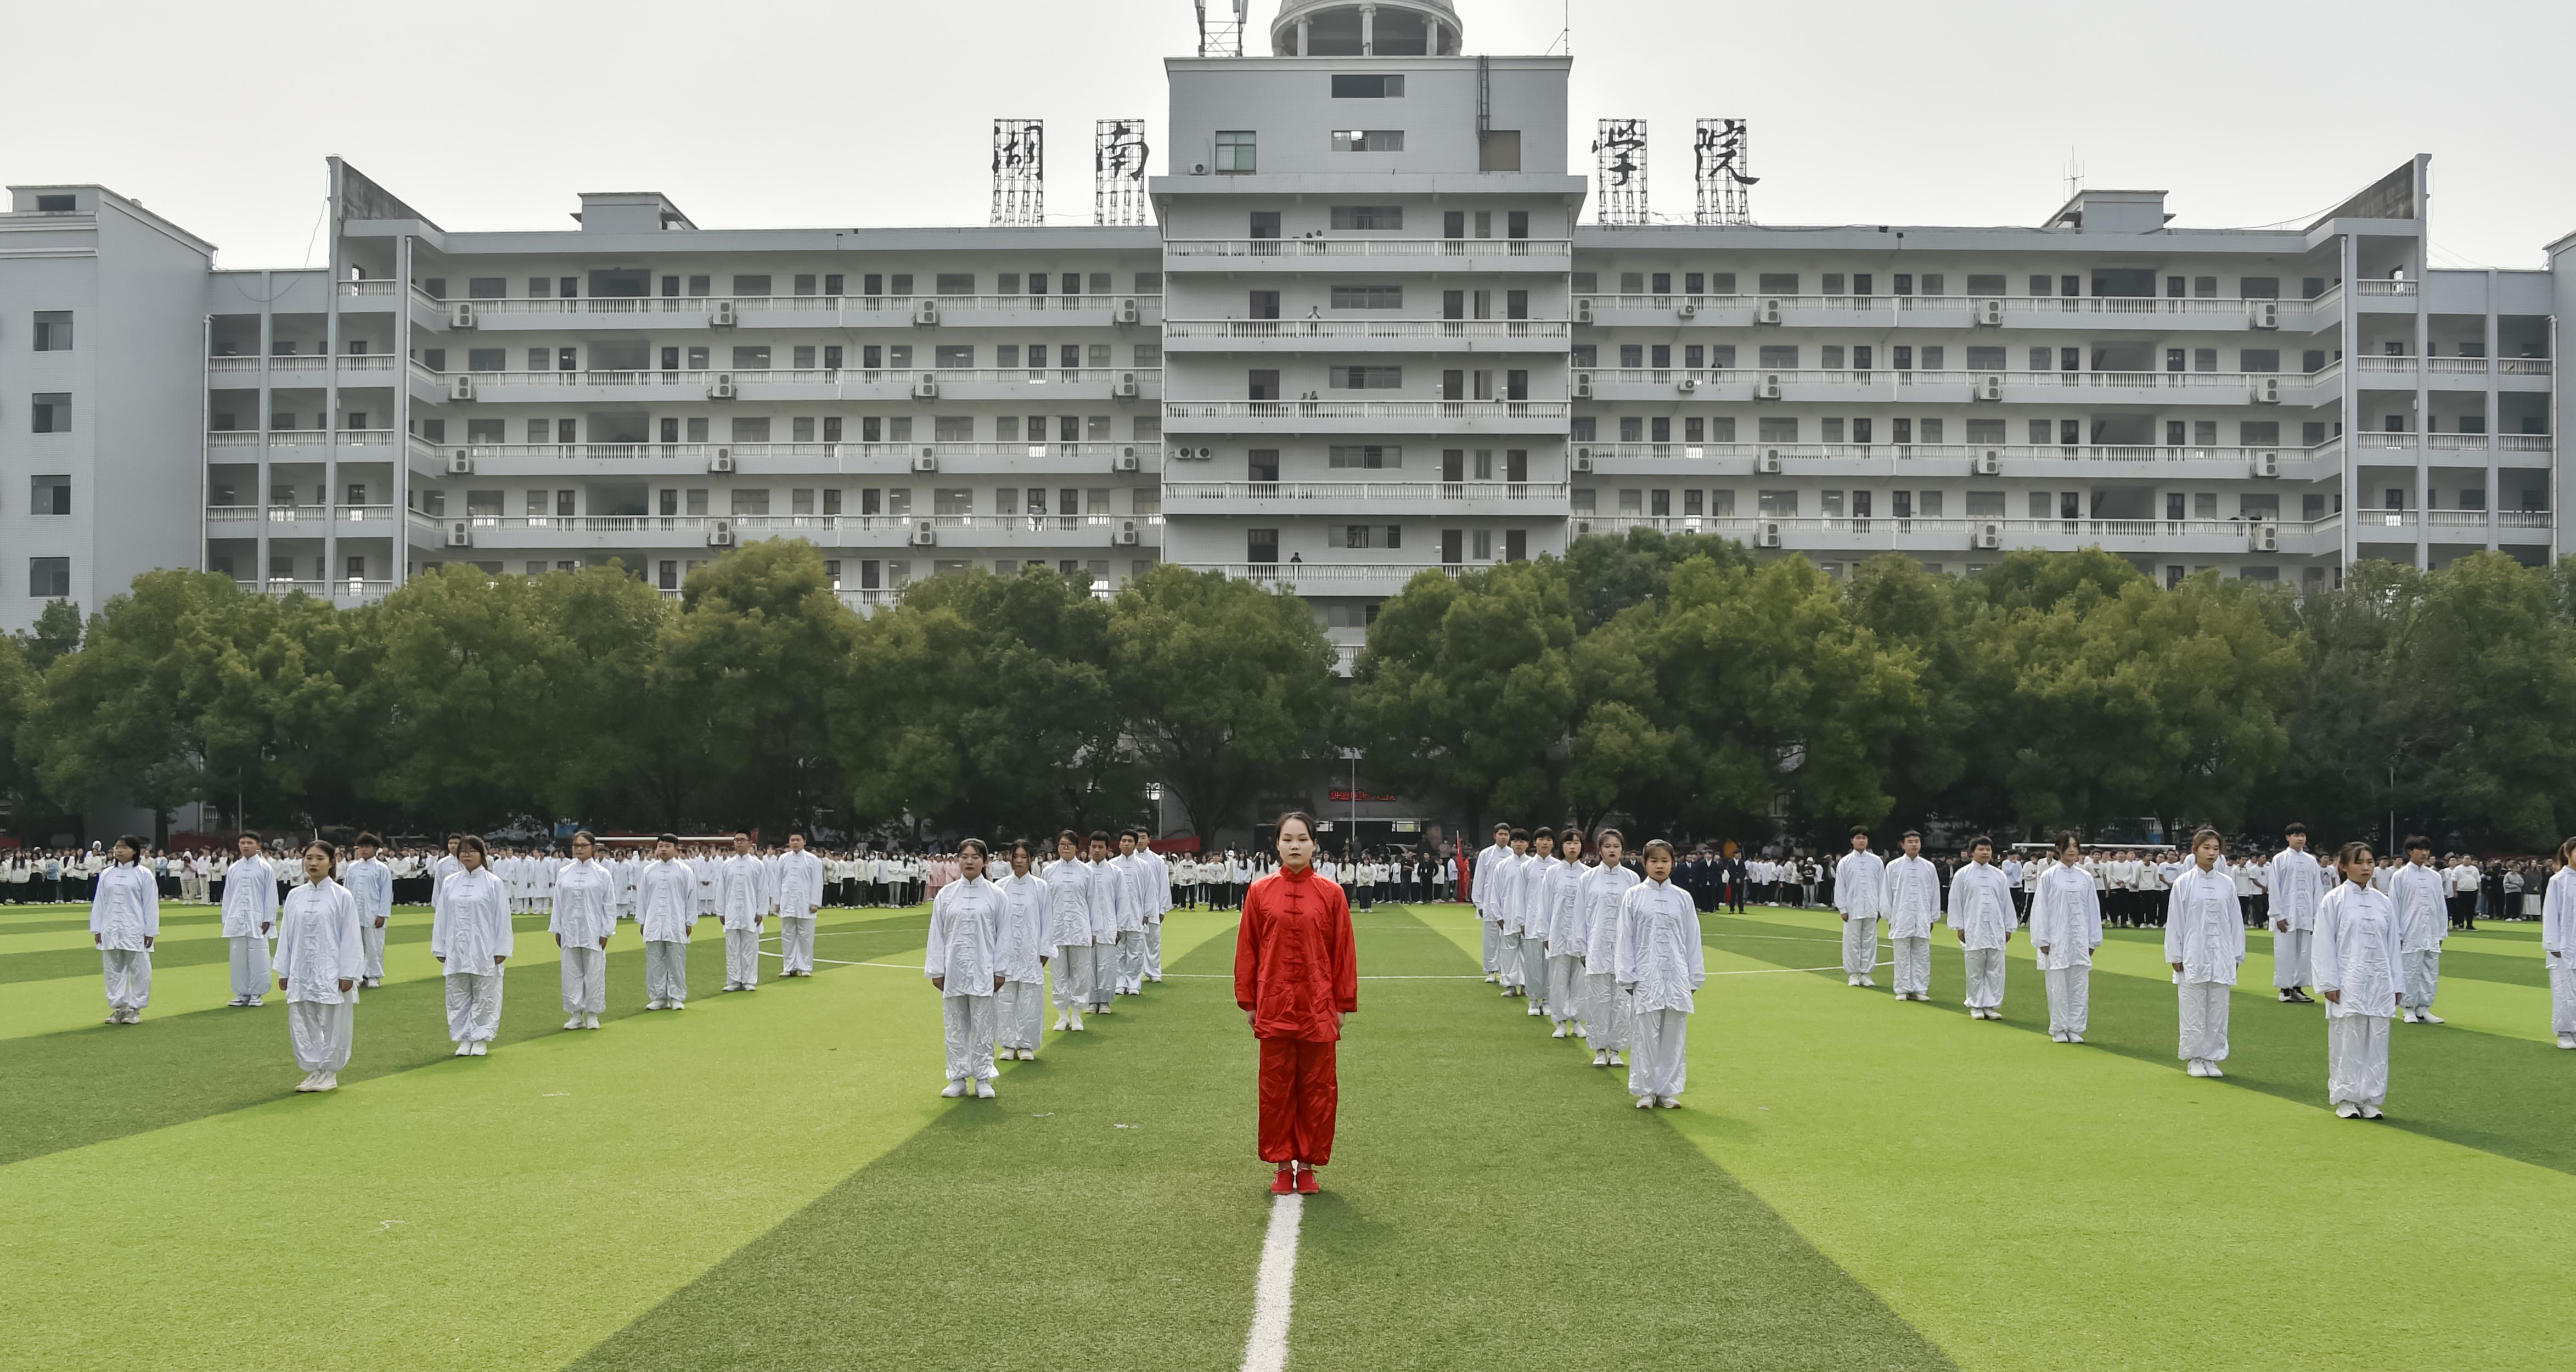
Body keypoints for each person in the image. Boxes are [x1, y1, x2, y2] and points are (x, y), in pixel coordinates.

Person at [1234, 811, 1357, 1195]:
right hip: (1273, 1003)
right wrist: (1248, 1001)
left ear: (1314, 844)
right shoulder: (1259, 892)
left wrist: (1342, 1005)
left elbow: (1343, 953)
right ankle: (1280, 1164)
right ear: (1276, 844)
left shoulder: (1332, 894)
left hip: (1318, 1005)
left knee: (1317, 1088)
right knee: (1275, 1088)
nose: (1295, 845)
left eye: (1302, 839)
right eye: (1287, 839)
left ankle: (1306, 1165)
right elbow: (1248, 950)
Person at [2315, 841, 2403, 1118]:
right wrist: (2329, 982)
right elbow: (2323, 944)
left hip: (2379, 981)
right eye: (2359, 862)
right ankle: (2346, 1097)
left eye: (2370, 862)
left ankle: (2371, 1098)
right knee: (2347, 1039)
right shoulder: (2334, 900)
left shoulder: (2383, 902)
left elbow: (2392, 946)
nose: (2366, 868)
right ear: (2343, 867)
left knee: (2376, 1040)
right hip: (2348, 979)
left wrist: (2397, 984)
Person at [1616, 839, 1704, 1109]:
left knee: (1673, 1033)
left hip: (1677, 974)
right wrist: (1627, 974)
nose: (1659, 866)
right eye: (1654, 860)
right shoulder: (1633, 896)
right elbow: (1625, 937)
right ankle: (1645, 1090)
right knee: (1645, 1033)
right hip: (1646, 973)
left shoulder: (1683, 898)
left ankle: (1667, 1090)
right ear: (1644, 863)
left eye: (1665, 861)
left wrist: (1694, 976)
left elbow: (1693, 939)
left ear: (1673, 864)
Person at [275, 841, 363, 1092]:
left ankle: (330, 1072)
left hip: (331, 970)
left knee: (333, 1021)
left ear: (331, 862)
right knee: (304, 1019)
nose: (313, 863)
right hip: (301, 970)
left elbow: (351, 937)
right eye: (309, 858)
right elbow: (287, 935)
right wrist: (285, 970)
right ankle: (314, 1070)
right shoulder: (295, 896)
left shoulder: (342, 896)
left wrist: (348, 973)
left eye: (319, 859)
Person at [925, 837, 1007, 1099]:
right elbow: (936, 934)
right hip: (954, 970)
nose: (969, 861)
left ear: (985, 861)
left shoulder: (997, 896)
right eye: (964, 856)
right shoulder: (946, 896)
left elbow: (1004, 936)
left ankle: (983, 1077)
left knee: (984, 1024)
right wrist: (937, 969)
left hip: (985, 969)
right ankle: (958, 1077)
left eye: (975, 857)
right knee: (955, 1025)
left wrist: (1000, 970)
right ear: (958, 859)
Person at [2166, 826, 2247, 1078]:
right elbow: (2176, 920)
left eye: (2215, 849)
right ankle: (2194, 1057)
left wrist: (2236, 955)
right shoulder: (2184, 883)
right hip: (2193, 953)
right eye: (2206, 848)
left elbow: (2236, 921)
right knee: (2193, 1008)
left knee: (2218, 1009)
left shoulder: (2227, 884)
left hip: (2221, 954)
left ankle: (2212, 1057)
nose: (2211, 853)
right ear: (2195, 850)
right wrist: (2175, 956)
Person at [430, 836, 510, 1056]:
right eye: (463, 851)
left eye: (472, 850)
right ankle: (463, 1037)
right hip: (456, 946)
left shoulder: (493, 883)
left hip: (484, 946)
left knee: (486, 993)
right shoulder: (450, 882)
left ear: (482, 854)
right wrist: (440, 946)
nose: (467, 854)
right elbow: (442, 916)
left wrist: (501, 949)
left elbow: (502, 917)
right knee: (457, 993)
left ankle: (481, 1037)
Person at [2029, 833, 2104, 1043]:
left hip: (2080, 938)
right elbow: (2041, 909)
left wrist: (2092, 940)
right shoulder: (2049, 876)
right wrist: (2042, 939)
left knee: (2079, 984)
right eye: (2068, 846)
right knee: (2057, 985)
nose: (2072, 850)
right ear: (2058, 849)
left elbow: (2093, 909)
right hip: (2057, 937)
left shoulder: (2085, 877)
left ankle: (2076, 1028)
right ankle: (2059, 1028)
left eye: (2075, 846)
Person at [1577, 829, 1640, 1069]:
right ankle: (1599, 1048)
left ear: (1622, 850)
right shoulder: (1588, 879)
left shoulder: (1633, 880)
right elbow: (1580, 916)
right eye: (1607, 846)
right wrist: (1581, 948)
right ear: (1599, 850)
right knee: (1598, 1001)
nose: (1612, 850)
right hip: (1597, 947)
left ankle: (1616, 1049)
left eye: (1616, 846)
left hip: (1625, 951)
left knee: (1621, 1002)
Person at [91, 835, 159, 1025]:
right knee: (113, 969)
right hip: (110, 928)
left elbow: (151, 905)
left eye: (124, 847)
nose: (119, 850)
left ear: (135, 851)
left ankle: (134, 1009)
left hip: (134, 929)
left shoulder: (144, 874)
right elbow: (100, 903)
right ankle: (118, 1008)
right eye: (117, 847)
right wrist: (97, 928)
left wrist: (151, 931)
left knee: (139, 969)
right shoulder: (106, 874)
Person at [552, 831, 617, 1030]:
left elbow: (609, 905)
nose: (579, 849)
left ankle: (593, 1013)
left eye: (583, 845)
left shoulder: (602, 874)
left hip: (593, 930)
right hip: (570, 929)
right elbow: (558, 903)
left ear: (593, 848)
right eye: (576, 845)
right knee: (571, 972)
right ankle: (576, 1014)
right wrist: (557, 928)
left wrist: (606, 931)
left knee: (594, 972)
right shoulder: (564, 872)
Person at [993, 840, 1051, 1061]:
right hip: (1006, 952)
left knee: (1030, 998)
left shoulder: (1040, 887)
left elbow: (1048, 919)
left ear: (1031, 859)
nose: (1019, 861)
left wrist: (1044, 949)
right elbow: (995, 923)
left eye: (1023, 857)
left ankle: (1026, 1045)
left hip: (1031, 950)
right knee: (1006, 998)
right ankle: (1008, 1044)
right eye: (1015, 857)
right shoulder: (1000, 887)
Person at [1948, 837, 2015, 1020]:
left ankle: (1991, 1005)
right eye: (1981, 849)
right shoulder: (1963, 874)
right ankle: (1976, 1005)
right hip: (1973, 926)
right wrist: (1959, 926)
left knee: (1996, 969)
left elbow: (2006, 903)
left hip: (1996, 927)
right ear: (1972, 852)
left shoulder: (1999, 875)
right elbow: (1955, 901)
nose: (1985, 853)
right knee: (1975, 968)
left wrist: (2009, 927)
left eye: (1988, 850)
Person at [2388, 836, 2448, 1025]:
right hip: (2409, 931)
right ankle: (2408, 1008)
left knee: (2430, 970)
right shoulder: (2400, 876)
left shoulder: (2435, 877)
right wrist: (2396, 934)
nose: (2424, 853)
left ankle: (2424, 1007)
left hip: (2431, 931)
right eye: (2420, 849)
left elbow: (2441, 906)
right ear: (2410, 852)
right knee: (2410, 970)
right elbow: (2394, 906)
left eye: (2427, 850)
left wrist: (2441, 932)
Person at [635, 834, 698, 1010]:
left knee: (676, 960)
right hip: (654, 922)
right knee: (655, 961)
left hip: (676, 921)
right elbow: (642, 898)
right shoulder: (649, 871)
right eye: (661, 845)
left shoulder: (685, 871)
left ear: (676, 849)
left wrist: (689, 922)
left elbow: (691, 897)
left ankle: (677, 996)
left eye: (667, 846)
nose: (663, 849)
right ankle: (658, 997)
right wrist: (642, 921)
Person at [220, 833, 279, 1008]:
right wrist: (227, 918)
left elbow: (271, 895)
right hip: (237, 918)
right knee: (238, 957)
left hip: (258, 919)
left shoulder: (264, 868)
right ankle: (241, 993)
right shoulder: (234, 868)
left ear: (258, 845)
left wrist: (269, 919)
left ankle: (257, 993)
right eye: (242, 843)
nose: (246, 846)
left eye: (250, 843)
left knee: (259, 955)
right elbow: (228, 895)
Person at [1045, 830, 1095, 1033]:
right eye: (1062, 844)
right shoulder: (1048, 872)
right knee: (1058, 974)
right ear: (1057, 847)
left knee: (1081, 973)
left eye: (1069, 844)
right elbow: (1045, 904)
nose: (1065, 847)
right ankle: (1062, 1015)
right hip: (1056, 929)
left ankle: (1076, 1015)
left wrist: (1093, 930)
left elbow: (1093, 903)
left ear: (1077, 847)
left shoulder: (1086, 872)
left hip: (1080, 928)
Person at [1543, 829, 1590, 1039]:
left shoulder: (1588, 874)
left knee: (1580, 980)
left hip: (1581, 936)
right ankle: (1560, 1021)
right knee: (1559, 978)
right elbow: (1544, 905)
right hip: (1558, 933)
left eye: (1577, 843)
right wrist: (1545, 934)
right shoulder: (1552, 873)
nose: (1573, 847)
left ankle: (1578, 1021)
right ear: (1561, 847)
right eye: (1569, 843)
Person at [2269, 824, 2323, 1003]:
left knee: (2304, 952)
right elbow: (2274, 888)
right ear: (2288, 838)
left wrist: (2318, 915)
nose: (2300, 839)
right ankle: (2285, 989)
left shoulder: (2310, 861)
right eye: (2296, 835)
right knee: (2285, 951)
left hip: (2306, 913)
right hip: (2286, 914)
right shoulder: (2280, 859)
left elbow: (2317, 888)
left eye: (2303, 836)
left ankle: (2298, 988)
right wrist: (2278, 915)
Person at [1882, 831, 1939, 1002]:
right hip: (1901, 916)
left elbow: (1934, 893)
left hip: (1922, 916)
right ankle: (1902, 988)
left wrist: (1932, 917)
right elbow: (1886, 894)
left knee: (1921, 955)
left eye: (1917, 842)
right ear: (1903, 845)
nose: (1914, 844)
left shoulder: (1929, 867)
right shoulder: (1893, 866)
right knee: (1901, 955)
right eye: (1910, 842)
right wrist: (1890, 918)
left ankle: (1919, 989)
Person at [1513, 828, 1562, 1020]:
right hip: (1532, 923)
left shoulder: (1558, 867)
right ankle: (1533, 1000)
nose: (1545, 843)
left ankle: (1549, 1000)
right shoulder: (1527, 867)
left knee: (1551, 965)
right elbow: (1519, 895)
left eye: (1549, 840)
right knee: (1533, 964)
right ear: (1535, 843)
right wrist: (1522, 921)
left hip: (1553, 924)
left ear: (1553, 844)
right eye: (1541, 839)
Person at [715, 831, 768, 993]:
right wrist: (721, 911)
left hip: (750, 911)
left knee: (750, 947)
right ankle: (733, 980)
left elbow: (763, 890)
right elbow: (721, 889)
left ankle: (749, 980)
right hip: (731, 910)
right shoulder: (727, 865)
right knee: (732, 948)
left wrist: (761, 911)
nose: (739, 843)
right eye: (736, 840)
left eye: (742, 840)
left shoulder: (757, 865)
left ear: (750, 843)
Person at [1833, 828, 1885, 989]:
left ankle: (1866, 974)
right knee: (1852, 942)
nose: (1861, 841)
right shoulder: (1845, 862)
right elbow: (1840, 886)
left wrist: (1880, 908)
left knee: (1869, 941)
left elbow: (1882, 886)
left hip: (1871, 907)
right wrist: (1842, 908)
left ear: (1868, 841)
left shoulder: (1876, 861)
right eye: (1858, 838)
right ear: (1852, 841)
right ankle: (1853, 974)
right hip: (1852, 908)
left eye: (1864, 838)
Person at [341, 835, 392, 988]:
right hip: (354, 913)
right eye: (361, 847)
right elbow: (346, 890)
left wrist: (382, 914)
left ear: (376, 849)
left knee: (374, 946)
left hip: (373, 913)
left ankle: (374, 976)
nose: (363, 850)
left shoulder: (382, 869)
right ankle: (359, 975)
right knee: (355, 946)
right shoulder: (352, 867)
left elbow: (387, 893)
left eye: (367, 847)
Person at [774, 831, 825, 978]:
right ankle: (789, 967)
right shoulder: (783, 859)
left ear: (804, 841)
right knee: (787, 935)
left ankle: (805, 967)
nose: (795, 843)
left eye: (798, 840)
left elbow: (817, 882)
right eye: (792, 840)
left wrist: (815, 903)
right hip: (787, 902)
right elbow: (777, 881)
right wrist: (777, 902)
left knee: (806, 936)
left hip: (806, 903)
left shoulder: (813, 860)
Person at [2543, 837, 2576, 1050]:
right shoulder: (2559, 880)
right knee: (2564, 988)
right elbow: (2551, 913)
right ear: (2567, 854)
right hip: (2565, 945)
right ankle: (2565, 1032)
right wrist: (2553, 944)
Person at [1472, 822, 1512, 983]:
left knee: (1507, 939)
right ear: (1495, 836)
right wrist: (1479, 904)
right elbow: (1480, 879)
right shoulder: (1486, 854)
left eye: (1506, 835)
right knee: (1490, 939)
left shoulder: (1513, 854)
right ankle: (1491, 971)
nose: (1503, 837)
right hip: (1489, 901)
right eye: (1501, 834)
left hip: (1508, 903)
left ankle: (1506, 971)